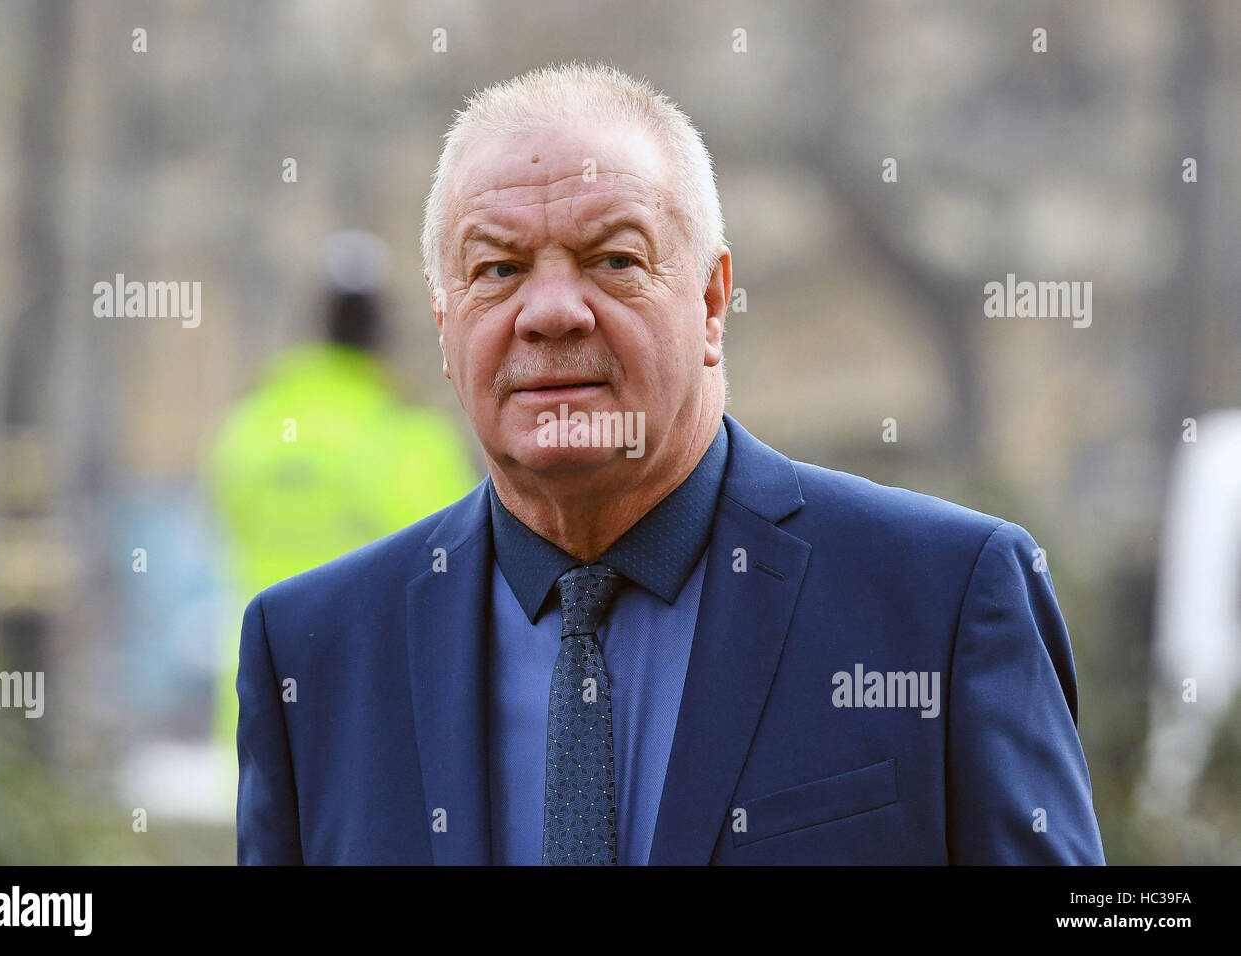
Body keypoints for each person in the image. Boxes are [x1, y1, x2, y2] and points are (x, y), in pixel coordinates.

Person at [236, 62, 1105, 865]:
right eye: (497, 269)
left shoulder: (943, 601)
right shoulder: (313, 653)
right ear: (442, 322)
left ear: (713, 300)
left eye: (613, 260)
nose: (550, 312)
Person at [207, 231, 476, 753]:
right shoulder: (404, 436)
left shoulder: (251, 426)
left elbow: (221, 519)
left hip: (257, 692)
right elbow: (456, 563)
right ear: (382, 334)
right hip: (370, 706)